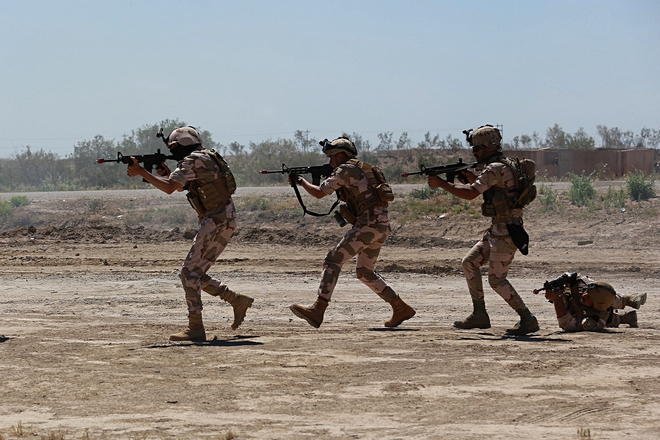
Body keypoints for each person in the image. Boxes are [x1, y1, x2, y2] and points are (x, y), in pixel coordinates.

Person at [127, 126, 253, 341]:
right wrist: (167, 173)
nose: (173, 152)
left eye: (174, 148)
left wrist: (142, 173)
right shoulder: (206, 156)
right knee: (195, 273)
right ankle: (236, 300)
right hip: (224, 220)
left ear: (181, 146)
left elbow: (169, 188)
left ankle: (195, 327)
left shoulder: (192, 160)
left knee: (189, 273)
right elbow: (180, 185)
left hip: (215, 222)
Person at [289, 136, 416, 328]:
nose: (330, 162)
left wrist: (300, 182)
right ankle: (400, 307)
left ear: (340, 156)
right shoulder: (367, 169)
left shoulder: (345, 170)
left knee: (333, 260)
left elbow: (319, 193)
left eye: (332, 158)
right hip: (381, 227)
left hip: (367, 226)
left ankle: (318, 309)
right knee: (365, 272)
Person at [427, 124, 539, 335]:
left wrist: (443, 184)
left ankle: (527, 318)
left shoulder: (495, 168)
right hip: (500, 228)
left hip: (506, 230)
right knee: (470, 262)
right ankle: (480, 314)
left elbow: (470, 193)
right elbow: (491, 189)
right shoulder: (506, 164)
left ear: (489, 147)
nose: (475, 153)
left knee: (497, 280)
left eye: (477, 149)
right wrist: (469, 178)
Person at [540, 272, 646, 331]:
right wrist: (565, 280)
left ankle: (625, 317)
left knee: (609, 315)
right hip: (596, 302)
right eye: (586, 292)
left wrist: (557, 300)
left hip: (594, 315)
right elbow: (591, 284)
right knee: (605, 293)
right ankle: (630, 301)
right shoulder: (588, 288)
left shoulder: (597, 318)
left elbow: (567, 325)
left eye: (588, 297)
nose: (584, 295)